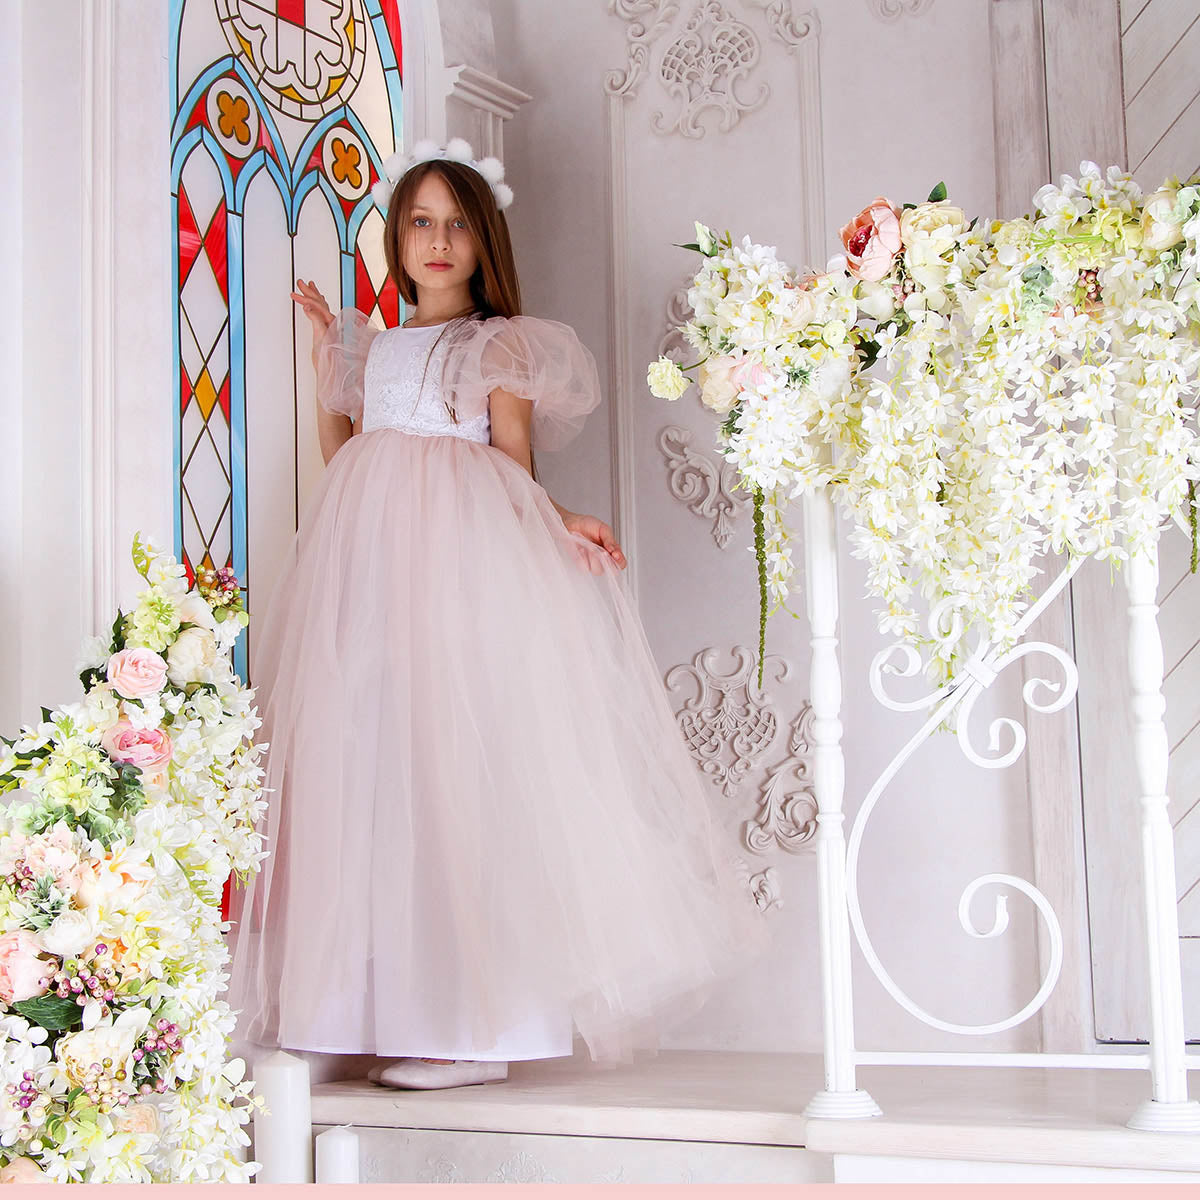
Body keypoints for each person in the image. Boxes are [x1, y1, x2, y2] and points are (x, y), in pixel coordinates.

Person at [228, 139, 769, 1091]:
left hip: (460, 576)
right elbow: (346, 452)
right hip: (367, 576)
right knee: (369, 773)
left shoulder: (501, 345)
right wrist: (330, 357)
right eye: (420, 223)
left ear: (484, 242)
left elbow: (509, 466)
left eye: (457, 224)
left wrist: (563, 523)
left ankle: (477, 1030)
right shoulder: (383, 345)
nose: (437, 241)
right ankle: (355, 1012)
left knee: (458, 778)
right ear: (395, 240)